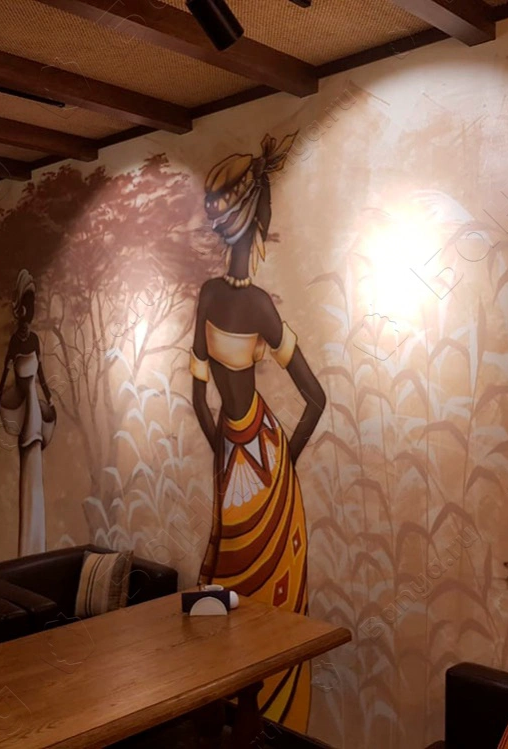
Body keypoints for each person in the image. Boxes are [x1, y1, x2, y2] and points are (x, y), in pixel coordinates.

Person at [190, 134, 326, 730]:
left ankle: (258, 726)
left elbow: (314, 398)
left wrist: (269, 462)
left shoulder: (253, 305)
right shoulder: (226, 298)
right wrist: (241, 454)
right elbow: (200, 392)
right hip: (249, 456)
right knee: (229, 589)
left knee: (257, 599)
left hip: (256, 460)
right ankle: (231, 718)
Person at [0, 269, 56, 556]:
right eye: (26, 307)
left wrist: (50, 397)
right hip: (25, 408)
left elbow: (41, 372)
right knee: (28, 462)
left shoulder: (33, 341)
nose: (28, 314)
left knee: (35, 461)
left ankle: (37, 544)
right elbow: (6, 371)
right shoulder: (16, 342)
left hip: (34, 403)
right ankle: (28, 547)